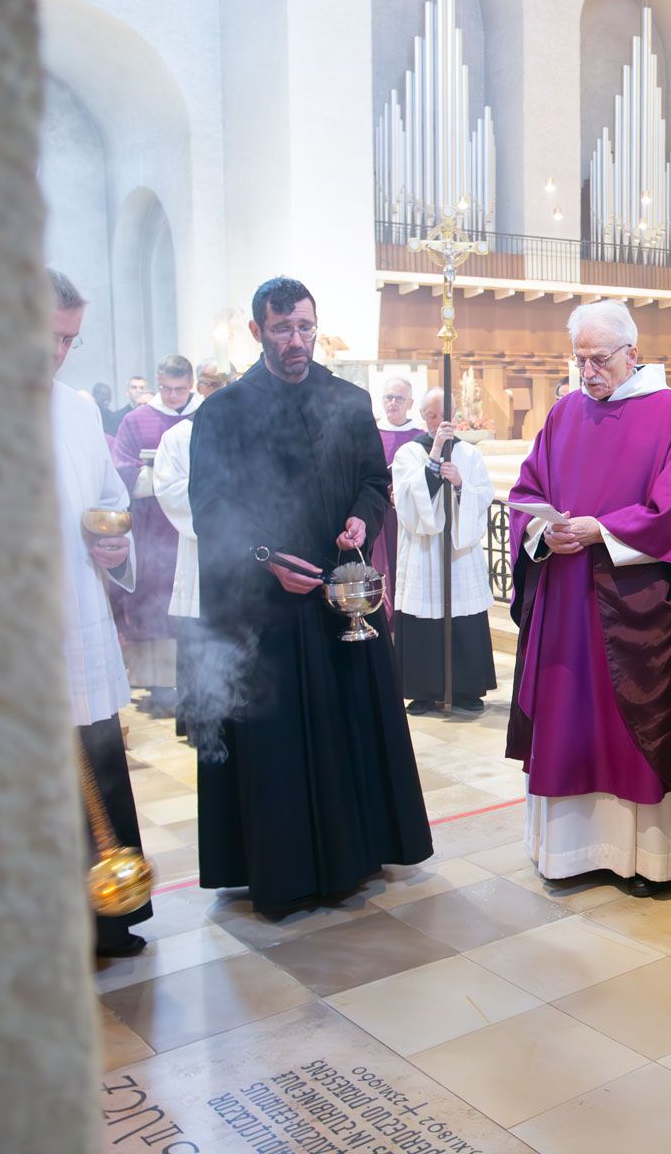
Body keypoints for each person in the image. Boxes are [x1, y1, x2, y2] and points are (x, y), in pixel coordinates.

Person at [189, 276, 431, 916]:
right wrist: (265, 559)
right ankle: (286, 870)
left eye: (304, 327)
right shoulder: (223, 413)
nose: (296, 341)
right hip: (264, 610)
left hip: (338, 600)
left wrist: (362, 519)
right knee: (280, 743)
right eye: (282, 330)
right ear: (257, 331)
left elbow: (374, 481)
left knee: (345, 727)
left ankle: (355, 855)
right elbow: (210, 509)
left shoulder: (347, 401)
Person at [506, 300, 671, 898]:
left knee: (636, 725)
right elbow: (527, 489)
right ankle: (571, 851)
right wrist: (542, 532)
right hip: (566, 601)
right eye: (579, 359)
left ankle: (649, 858)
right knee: (568, 718)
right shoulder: (563, 414)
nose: (587, 372)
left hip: (638, 603)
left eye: (599, 359)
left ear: (633, 353)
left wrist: (601, 530)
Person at [47, 269, 153, 956]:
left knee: (96, 759)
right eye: (49, 337)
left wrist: (115, 545)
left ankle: (107, 922)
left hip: (78, 616)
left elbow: (110, 501)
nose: (58, 353)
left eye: (70, 340)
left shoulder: (78, 410)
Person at [391, 388, 497, 714]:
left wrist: (462, 485)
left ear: (453, 415)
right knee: (424, 615)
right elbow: (408, 501)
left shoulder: (469, 454)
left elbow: (484, 495)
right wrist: (435, 459)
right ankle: (422, 690)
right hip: (424, 549)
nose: (436, 422)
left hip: (458, 552)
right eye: (430, 415)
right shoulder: (409, 452)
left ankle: (466, 689)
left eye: (441, 415)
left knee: (462, 614)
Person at [110, 355, 199, 717]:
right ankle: (160, 686)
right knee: (155, 601)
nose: (173, 396)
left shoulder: (207, 415)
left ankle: (197, 684)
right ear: (158, 382)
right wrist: (163, 476)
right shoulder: (136, 420)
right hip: (153, 530)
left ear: (191, 385)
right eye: (166, 388)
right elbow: (121, 469)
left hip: (196, 530)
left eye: (180, 389)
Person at [153, 360, 230, 738]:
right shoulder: (179, 436)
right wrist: (220, 512)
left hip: (244, 552)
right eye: (210, 385)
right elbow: (169, 489)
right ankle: (200, 719)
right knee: (200, 632)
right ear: (200, 387)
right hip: (200, 551)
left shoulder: (244, 431)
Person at [373, 376, 424, 626]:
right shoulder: (373, 433)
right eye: (389, 397)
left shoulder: (420, 437)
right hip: (380, 513)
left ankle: (407, 619)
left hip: (411, 515)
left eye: (399, 398)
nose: (393, 402)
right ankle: (384, 617)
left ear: (410, 403)